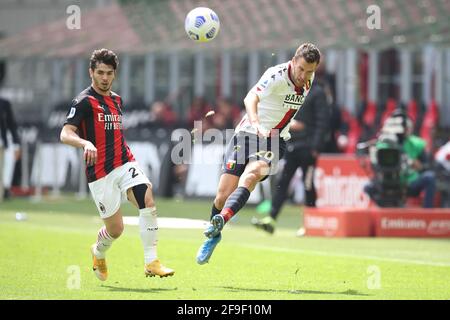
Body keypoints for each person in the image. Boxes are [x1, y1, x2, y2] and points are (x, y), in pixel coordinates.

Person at [196, 43, 321, 264]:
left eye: (310, 71)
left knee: (252, 176)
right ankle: (213, 235)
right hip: (247, 132)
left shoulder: (309, 81)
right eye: (301, 69)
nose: (304, 75)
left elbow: (283, 111)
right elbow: (250, 98)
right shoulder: (276, 75)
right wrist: (256, 124)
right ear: (293, 61)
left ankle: (222, 219)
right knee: (222, 195)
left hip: (274, 139)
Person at [60, 48, 174, 281]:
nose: (104, 78)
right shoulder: (83, 102)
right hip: (100, 172)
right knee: (116, 230)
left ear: (115, 74)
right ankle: (98, 251)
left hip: (124, 162)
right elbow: (65, 133)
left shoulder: (117, 100)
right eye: (100, 72)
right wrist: (84, 143)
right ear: (91, 72)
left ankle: (151, 261)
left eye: (109, 73)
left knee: (147, 199)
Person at [251, 80, 330, 234]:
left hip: (308, 148)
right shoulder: (293, 91)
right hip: (292, 145)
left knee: (308, 185)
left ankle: (310, 224)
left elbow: (323, 122)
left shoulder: (317, 93)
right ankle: (271, 219)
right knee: (282, 182)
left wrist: (316, 147)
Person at [364, 113, 436, 208]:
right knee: (368, 187)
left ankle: (428, 215)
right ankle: (386, 208)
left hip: (409, 182)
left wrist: (419, 166)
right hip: (388, 182)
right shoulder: (382, 145)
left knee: (430, 177)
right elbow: (375, 167)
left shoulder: (417, 143)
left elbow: (427, 166)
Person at [0, 94, 21, 202]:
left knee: (5, 169)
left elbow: (12, 125)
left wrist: (16, 145)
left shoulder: (4, 103)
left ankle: (5, 191)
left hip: (3, 143)